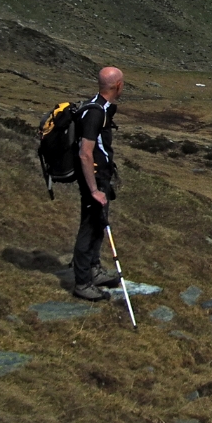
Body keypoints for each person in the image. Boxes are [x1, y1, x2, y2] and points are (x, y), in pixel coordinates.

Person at [71, 66, 124, 300]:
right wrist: (94, 190)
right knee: (90, 227)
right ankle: (82, 282)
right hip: (94, 178)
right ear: (117, 86)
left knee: (98, 224)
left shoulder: (97, 106)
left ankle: (94, 269)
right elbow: (85, 152)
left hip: (100, 177)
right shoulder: (96, 112)